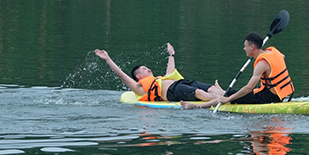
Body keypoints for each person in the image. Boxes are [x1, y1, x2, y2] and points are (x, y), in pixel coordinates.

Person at [182, 32, 294, 109]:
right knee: (232, 93)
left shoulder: (261, 64)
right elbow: (282, 57)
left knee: (227, 97)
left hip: (268, 98)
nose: (244, 48)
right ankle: (220, 91)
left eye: (245, 46)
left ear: (253, 47)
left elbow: (248, 88)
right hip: (282, 94)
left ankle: (196, 106)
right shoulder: (274, 52)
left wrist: (229, 99)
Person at [94, 42, 224, 102]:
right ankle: (226, 100)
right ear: (139, 76)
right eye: (145, 69)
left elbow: (170, 72)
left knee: (212, 88)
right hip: (173, 91)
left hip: (182, 83)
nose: (149, 69)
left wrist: (171, 55)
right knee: (199, 93)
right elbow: (121, 74)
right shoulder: (139, 88)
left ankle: (232, 95)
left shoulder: (159, 80)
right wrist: (108, 59)